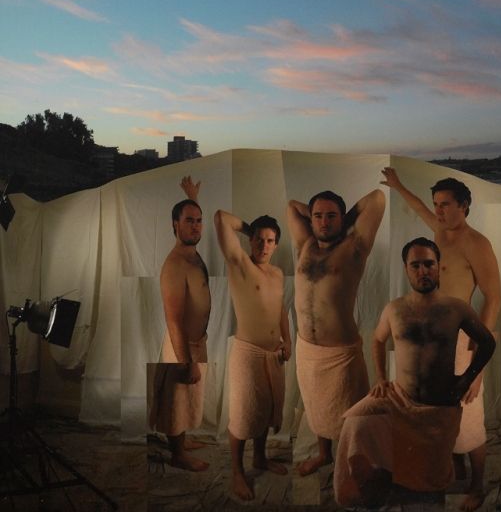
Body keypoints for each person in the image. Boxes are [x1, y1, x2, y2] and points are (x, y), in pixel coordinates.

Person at [334, 238, 496, 507]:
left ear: (439, 266)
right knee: (355, 421)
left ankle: (472, 487)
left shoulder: (456, 308)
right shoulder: (394, 309)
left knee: (465, 442)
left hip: (441, 402)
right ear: (406, 269)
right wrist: (381, 378)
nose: (423, 271)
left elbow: (487, 343)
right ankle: (366, 482)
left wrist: (468, 378)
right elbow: (377, 340)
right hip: (400, 398)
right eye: (416, 265)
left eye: (429, 264)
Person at [381, 168, 501, 511]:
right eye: (436, 204)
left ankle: (477, 486)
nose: (438, 210)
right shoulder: (438, 231)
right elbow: (418, 207)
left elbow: (494, 298)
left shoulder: (476, 243)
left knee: (469, 420)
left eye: (445, 204)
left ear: (464, 206)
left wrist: (477, 365)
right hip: (430, 339)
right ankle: (454, 469)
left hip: (463, 341)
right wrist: (398, 185)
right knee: (439, 414)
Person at [287, 188, 385, 475]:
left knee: (350, 415)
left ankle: (353, 463)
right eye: (318, 216)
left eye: (332, 216)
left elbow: (377, 198)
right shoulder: (304, 244)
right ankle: (324, 455)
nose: (324, 222)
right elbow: (291, 205)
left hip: (340, 355)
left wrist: (345, 220)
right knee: (317, 407)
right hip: (307, 349)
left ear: (342, 218)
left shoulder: (355, 247)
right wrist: (318, 213)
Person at [214, 209, 292, 500]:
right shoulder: (241, 265)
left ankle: (259, 457)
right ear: (250, 240)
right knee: (243, 415)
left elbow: (280, 309)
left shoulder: (278, 273)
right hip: (247, 353)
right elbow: (221, 218)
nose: (263, 245)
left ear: (276, 244)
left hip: (273, 354)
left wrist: (288, 340)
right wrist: (252, 228)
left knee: (266, 409)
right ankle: (237, 472)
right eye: (259, 239)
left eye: (270, 240)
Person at [149, 177, 211, 472]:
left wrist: (192, 196)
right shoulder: (175, 265)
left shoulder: (191, 252)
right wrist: (187, 362)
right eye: (189, 221)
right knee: (176, 401)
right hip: (181, 345)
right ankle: (177, 454)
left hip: (197, 342)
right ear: (175, 225)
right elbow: (173, 321)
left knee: (188, 399)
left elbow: (191, 219)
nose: (196, 226)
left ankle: (182, 443)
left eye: (199, 221)